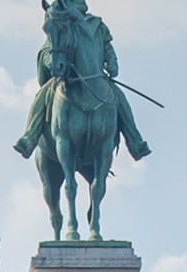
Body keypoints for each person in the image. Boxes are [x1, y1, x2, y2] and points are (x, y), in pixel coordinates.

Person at [13, 0, 150, 162]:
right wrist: (52, 63)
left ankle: (134, 141)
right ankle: (29, 137)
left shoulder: (97, 24)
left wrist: (112, 62)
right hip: (65, 78)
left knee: (119, 97)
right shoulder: (60, 23)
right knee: (42, 96)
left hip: (96, 77)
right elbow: (48, 49)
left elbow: (107, 47)